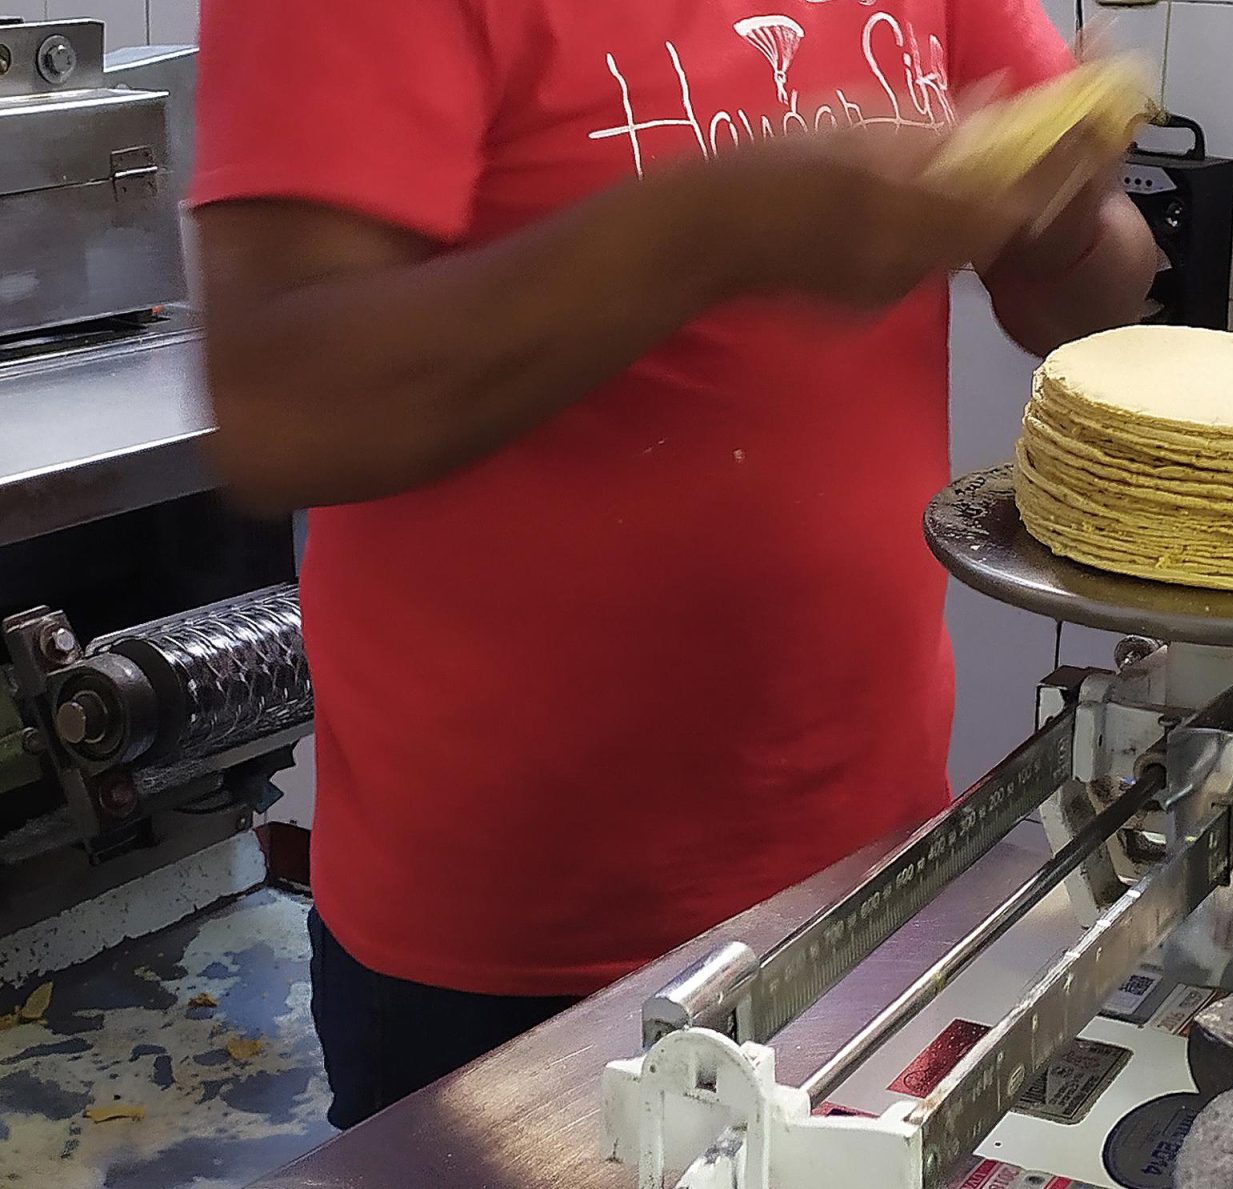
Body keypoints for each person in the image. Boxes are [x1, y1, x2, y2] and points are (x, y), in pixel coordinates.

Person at [189, 0, 1157, 1127]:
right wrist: (717, 228)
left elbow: (1092, 293)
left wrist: (1069, 207)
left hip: (869, 875)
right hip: (511, 952)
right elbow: (282, 410)